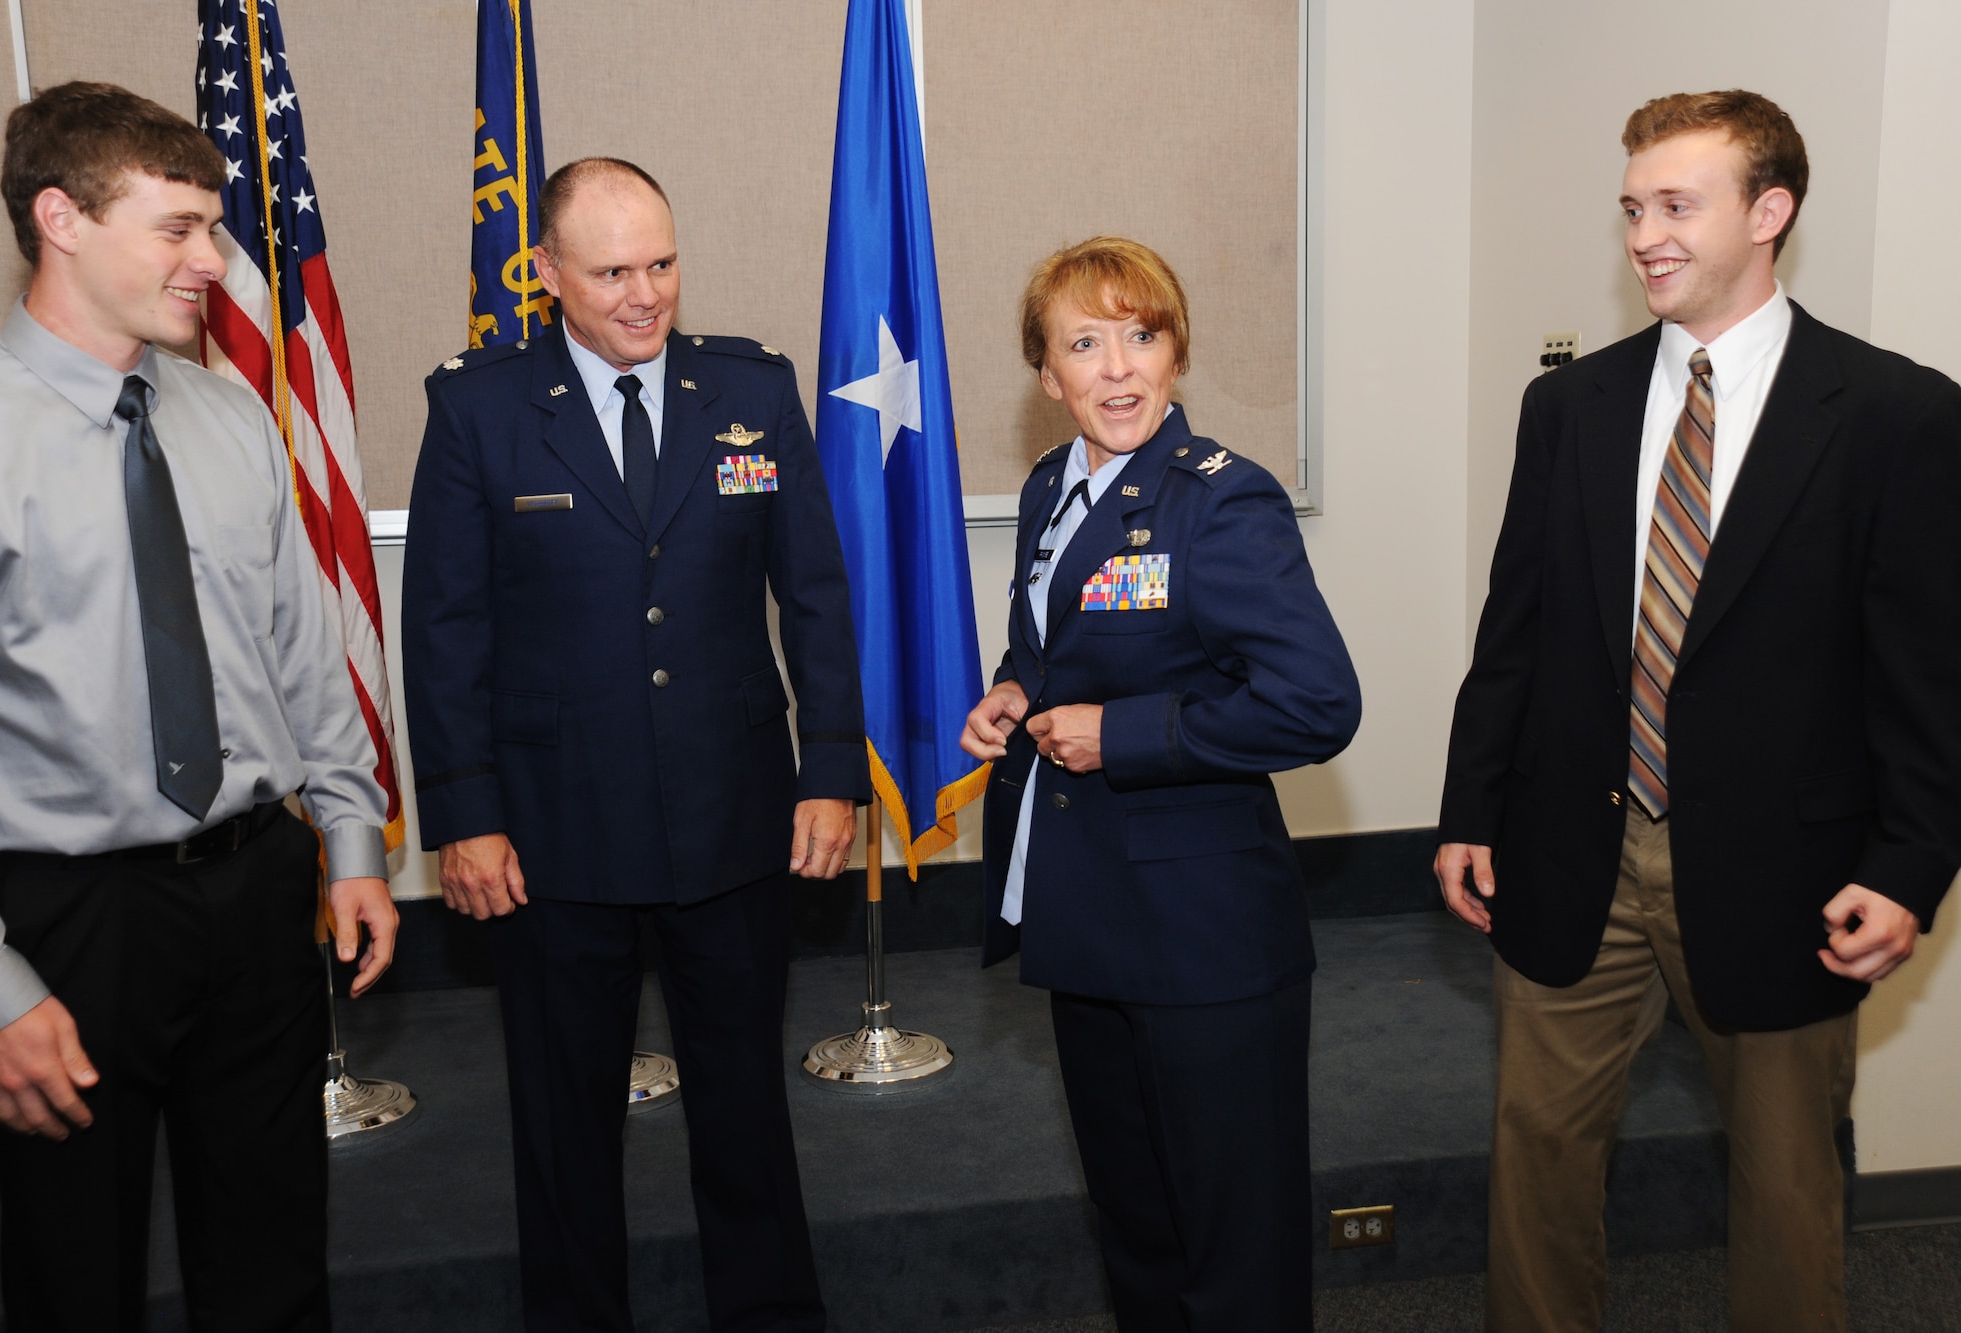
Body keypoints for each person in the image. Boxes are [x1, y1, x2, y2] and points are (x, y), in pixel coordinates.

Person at [1437, 90, 1961, 1332]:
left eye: (1676, 205)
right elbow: (1514, 630)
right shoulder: (1565, 407)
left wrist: (1906, 866)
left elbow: (1928, 674)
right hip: (1569, 847)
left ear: (1767, 211)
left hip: (1786, 868)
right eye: (1631, 208)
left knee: (1783, 1190)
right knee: (1535, 1167)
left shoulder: (1894, 414)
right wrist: (1468, 807)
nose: (1643, 235)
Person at [401, 156, 867, 1333]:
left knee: (744, 1110)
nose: (644, 293)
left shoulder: (751, 389)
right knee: (562, 1123)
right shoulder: (479, 407)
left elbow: (813, 595)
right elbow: (446, 627)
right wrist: (464, 811)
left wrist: (830, 772)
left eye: (660, 262)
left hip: (734, 816)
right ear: (547, 273)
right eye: (611, 271)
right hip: (553, 836)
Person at [0, 82, 398, 1331]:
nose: (211, 259)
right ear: (62, 218)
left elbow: (303, 658)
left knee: (272, 1266)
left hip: (259, 894)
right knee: (75, 1276)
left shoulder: (229, 418)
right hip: (63, 918)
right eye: (178, 228)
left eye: (213, 226)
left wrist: (354, 842)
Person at [960, 237, 1360, 1331]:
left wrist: (1121, 735)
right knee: (1134, 1224)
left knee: (1233, 1247)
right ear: (1047, 375)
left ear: (1175, 354)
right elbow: (1054, 642)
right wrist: (1011, 689)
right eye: (1084, 344)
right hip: (1087, 920)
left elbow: (1317, 703)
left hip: (1203, 938)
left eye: (1141, 336)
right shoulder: (1053, 485)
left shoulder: (1221, 504)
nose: (1118, 368)